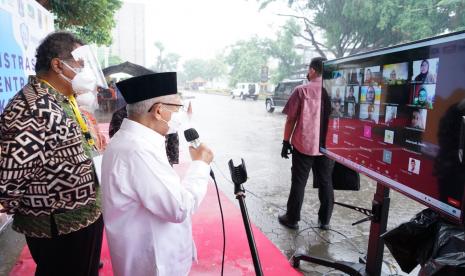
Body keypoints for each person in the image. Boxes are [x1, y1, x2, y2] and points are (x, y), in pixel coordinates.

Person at [0, 31, 103, 276]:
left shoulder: (61, 98)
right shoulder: (32, 107)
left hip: (82, 216)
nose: (84, 71)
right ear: (58, 65)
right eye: (80, 64)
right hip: (59, 226)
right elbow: (9, 178)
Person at [101, 72, 214, 276]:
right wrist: (200, 165)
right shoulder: (137, 151)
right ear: (160, 111)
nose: (181, 115)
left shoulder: (137, 141)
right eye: (177, 108)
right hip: (153, 264)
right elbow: (179, 208)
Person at [278, 57, 335, 230]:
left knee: (299, 182)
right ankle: (324, 221)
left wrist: (285, 142)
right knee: (326, 182)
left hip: (304, 145)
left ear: (312, 70)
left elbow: (291, 120)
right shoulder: (334, 91)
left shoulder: (301, 90)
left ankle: (292, 219)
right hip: (328, 147)